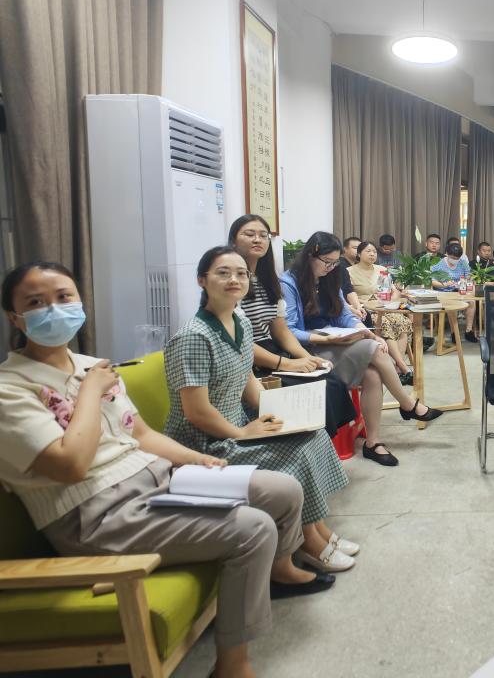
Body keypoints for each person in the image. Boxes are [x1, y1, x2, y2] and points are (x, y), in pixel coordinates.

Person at [0, 262, 333, 678]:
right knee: (253, 529)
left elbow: (139, 433)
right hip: (96, 516)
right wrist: (89, 392)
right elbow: (70, 465)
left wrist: (195, 460)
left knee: (282, 490)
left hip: (157, 481)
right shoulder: (12, 389)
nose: (54, 309)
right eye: (36, 302)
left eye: (64, 297)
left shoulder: (91, 367)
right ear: (15, 317)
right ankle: (233, 666)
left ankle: (279, 572)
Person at [164, 246, 359, 576]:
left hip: (239, 424)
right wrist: (242, 432)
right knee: (295, 453)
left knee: (313, 433)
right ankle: (308, 543)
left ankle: (318, 530)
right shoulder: (194, 337)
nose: (234, 280)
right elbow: (196, 412)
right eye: (223, 273)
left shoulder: (238, 321)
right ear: (202, 280)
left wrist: (275, 412)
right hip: (206, 443)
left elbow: (246, 378)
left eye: (241, 274)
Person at [282, 232, 442, 465]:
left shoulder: (330, 277)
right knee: (375, 348)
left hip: (335, 341)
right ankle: (408, 405)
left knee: (373, 374)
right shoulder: (290, 282)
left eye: (334, 263)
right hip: (308, 349)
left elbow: (343, 314)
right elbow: (289, 331)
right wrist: (324, 338)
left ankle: (373, 442)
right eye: (326, 262)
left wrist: (363, 330)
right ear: (310, 256)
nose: (330, 267)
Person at [230, 214, 358, 437]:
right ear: (233, 241)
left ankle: (321, 447)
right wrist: (287, 364)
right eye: (249, 234)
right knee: (315, 391)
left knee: (331, 382)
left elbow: (281, 330)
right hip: (247, 361)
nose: (257, 239)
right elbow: (238, 343)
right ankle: (310, 445)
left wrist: (306, 358)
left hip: (271, 350)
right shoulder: (232, 283)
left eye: (263, 235)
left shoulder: (269, 280)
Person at [347, 240, 414, 384]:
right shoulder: (349, 272)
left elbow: (394, 291)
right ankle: (403, 367)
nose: (372, 254)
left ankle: (397, 368)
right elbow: (348, 296)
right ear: (359, 254)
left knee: (402, 321)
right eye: (368, 251)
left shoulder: (381, 269)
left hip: (385, 307)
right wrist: (365, 304)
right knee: (384, 323)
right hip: (366, 309)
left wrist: (390, 302)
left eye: (374, 252)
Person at [431, 242, 478, 342]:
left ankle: (469, 331)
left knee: (471, 302)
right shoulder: (438, 264)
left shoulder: (462, 263)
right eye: (453, 258)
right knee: (452, 305)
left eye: (457, 258)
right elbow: (432, 281)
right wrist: (444, 284)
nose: (455, 260)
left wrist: (466, 280)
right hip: (444, 292)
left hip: (460, 290)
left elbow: (469, 276)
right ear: (447, 254)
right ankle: (454, 333)